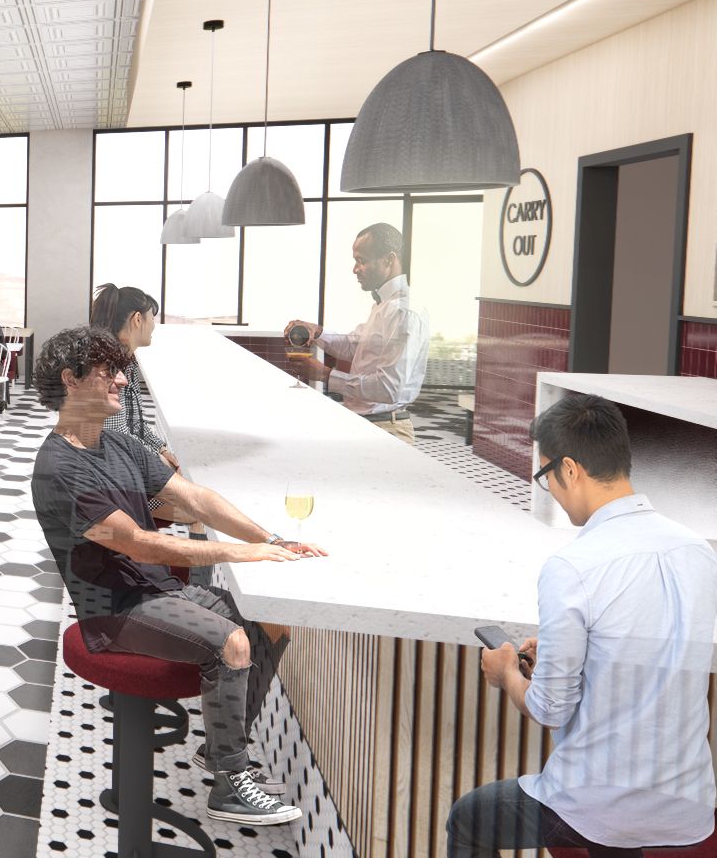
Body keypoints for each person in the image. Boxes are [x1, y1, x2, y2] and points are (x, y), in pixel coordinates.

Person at [29, 325, 323, 827]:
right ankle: (229, 789)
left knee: (268, 623)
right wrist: (244, 554)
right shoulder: (60, 466)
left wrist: (269, 539)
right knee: (231, 642)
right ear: (71, 380)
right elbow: (137, 542)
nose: (123, 380)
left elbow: (194, 498)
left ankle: (221, 751)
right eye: (109, 373)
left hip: (158, 590)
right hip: (115, 610)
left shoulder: (118, 444)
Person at [446, 394, 717, 856]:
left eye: (544, 474)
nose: (548, 487)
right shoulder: (700, 552)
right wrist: (563, 651)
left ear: (569, 470)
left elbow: (550, 708)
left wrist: (507, 673)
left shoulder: (573, 567)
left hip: (600, 814)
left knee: (468, 818)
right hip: (689, 808)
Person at [282, 222, 429, 443]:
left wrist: (324, 375)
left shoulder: (404, 312)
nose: (355, 269)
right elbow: (355, 345)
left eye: (362, 261)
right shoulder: (384, 305)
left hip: (386, 431)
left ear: (389, 260)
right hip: (368, 424)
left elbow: (389, 389)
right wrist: (318, 332)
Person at [92, 284, 178, 470]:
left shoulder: (127, 362)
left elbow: (135, 423)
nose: (154, 325)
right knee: (184, 494)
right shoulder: (107, 366)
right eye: (152, 318)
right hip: (110, 473)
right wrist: (159, 463)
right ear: (138, 319)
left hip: (123, 462)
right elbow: (115, 437)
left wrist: (161, 449)